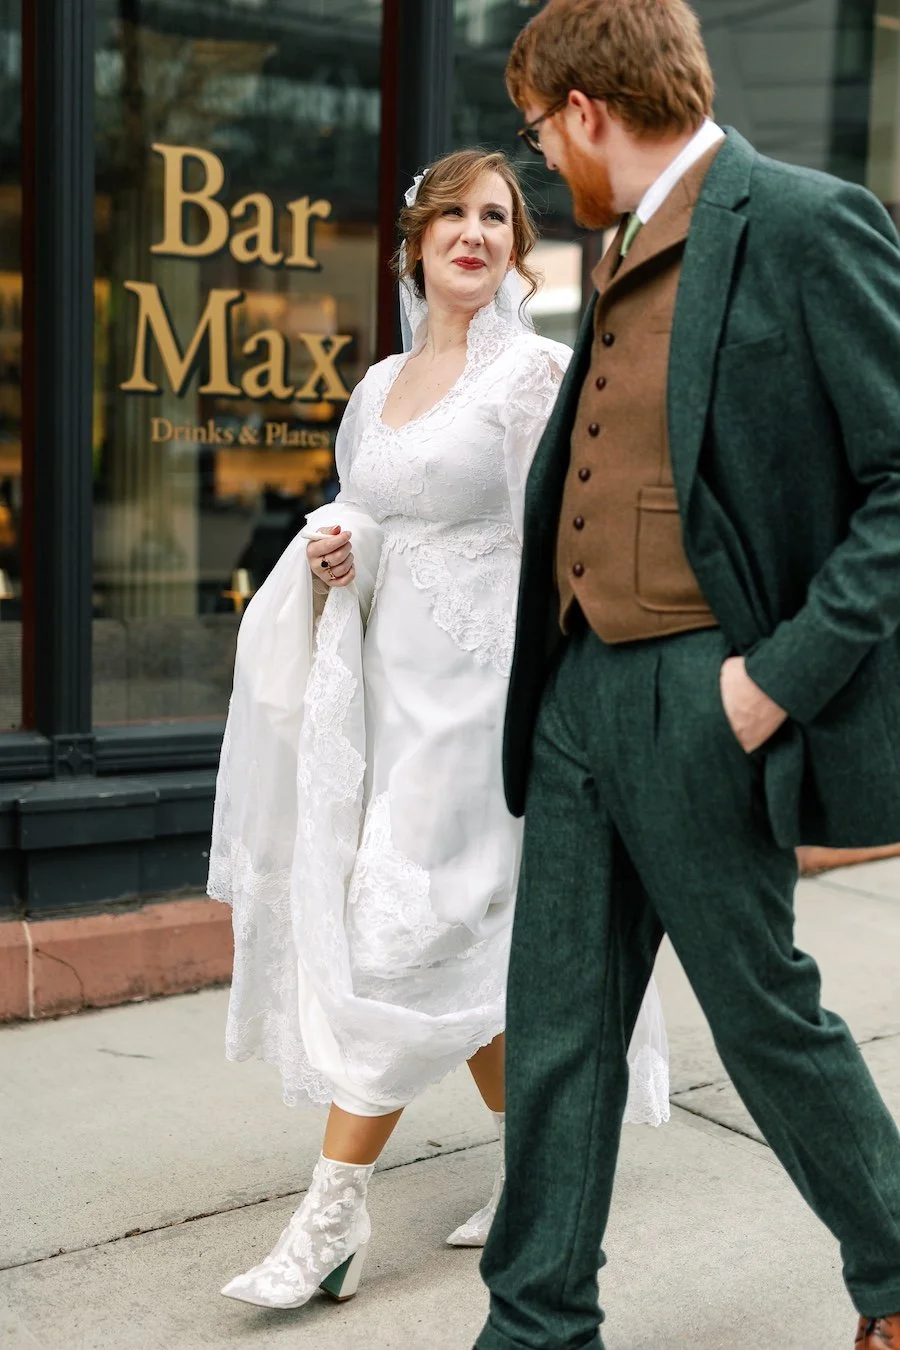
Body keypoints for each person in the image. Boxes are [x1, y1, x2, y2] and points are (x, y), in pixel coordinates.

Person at [474, 3, 900, 1349]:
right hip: (577, 694)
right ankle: (537, 1322)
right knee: (556, 1031)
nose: (543, 161)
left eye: (539, 132)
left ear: (587, 108)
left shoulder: (807, 221)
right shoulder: (614, 250)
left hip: (705, 695)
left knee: (762, 1017)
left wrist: (777, 680)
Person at [207, 148, 670, 1317]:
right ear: (415, 243)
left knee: (398, 941)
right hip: (387, 701)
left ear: (517, 249)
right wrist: (340, 549)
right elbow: (375, 514)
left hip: (483, 707)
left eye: (497, 217)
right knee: (473, 952)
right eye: (454, 214)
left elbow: (569, 541)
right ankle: (538, 1172)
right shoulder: (379, 385)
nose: (475, 232)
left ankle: (330, 1216)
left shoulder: (536, 377)